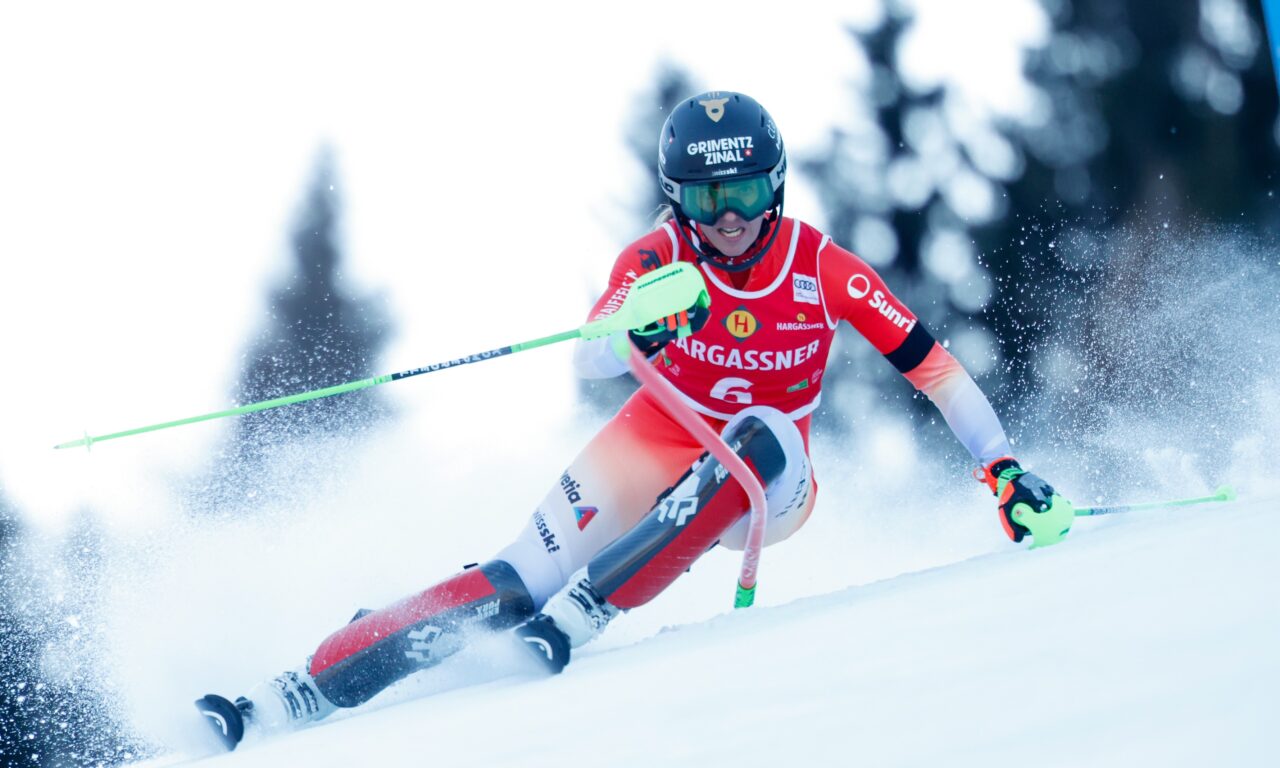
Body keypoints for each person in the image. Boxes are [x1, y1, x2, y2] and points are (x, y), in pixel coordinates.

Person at [196, 91, 1073, 750]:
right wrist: (638, 329)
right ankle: (289, 693)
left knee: (761, 432)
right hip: (652, 443)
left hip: (768, 481)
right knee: (508, 584)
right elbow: (590, 353)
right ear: (676, 199)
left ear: (775, 185)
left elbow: (933, 366)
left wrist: (1000, 468)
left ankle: (589, 607)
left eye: (743, 193)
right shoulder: (657, 257)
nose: (727, 220)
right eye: (704, 198)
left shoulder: (822, 267)